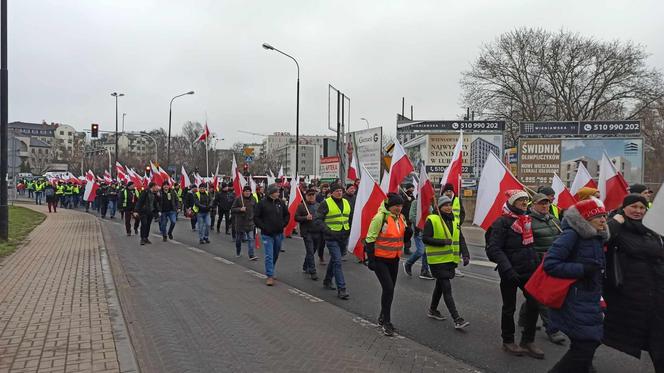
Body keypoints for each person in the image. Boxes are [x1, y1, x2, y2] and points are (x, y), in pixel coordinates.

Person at [544, 198, 609, 373]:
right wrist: (583, 269)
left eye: (604, 216)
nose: (604, 220)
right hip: (574, 299)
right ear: (586, 220)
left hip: (590, 298)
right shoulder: (571, 235)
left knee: (589, 345)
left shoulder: (596, 237)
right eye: (599, 217)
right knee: (585, 346)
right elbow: (550, 264)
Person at [603, 194, 664, 372]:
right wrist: (616, 220)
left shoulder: (652, 229)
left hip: (655, 291)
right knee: (605, 332)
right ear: (624, 207)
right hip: (626, 293)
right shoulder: (617, 227)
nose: (638, 211)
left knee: (657, 337)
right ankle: (581, 357)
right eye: (633, 207)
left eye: (642, 208)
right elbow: (602, 238)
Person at [486, 189, 543, 358]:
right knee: (509, 307)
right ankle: (508, 341)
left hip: (529, 270)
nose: (525, 203)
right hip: (510, 272)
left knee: (534, 303)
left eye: (526, 200)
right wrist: (508, 268)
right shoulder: (502, 222)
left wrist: (537, 263)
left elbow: (530, 245)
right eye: (521, 201)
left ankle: (528, 340)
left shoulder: (527, 220)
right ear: (512, 203)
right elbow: (495, 249)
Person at [519, 193, 565, 344]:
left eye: (547, 203)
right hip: (537, 264)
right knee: (543, 297)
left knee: (536, 296)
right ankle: (552, 328)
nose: (545, 206)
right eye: (541, 203)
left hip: (554, 264)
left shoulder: (554, 220)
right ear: (533, 206)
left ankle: (523, 318)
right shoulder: (528, 222)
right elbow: (525, 244)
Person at [424, 196, 470, 330]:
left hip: (450, 260)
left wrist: (465, 254)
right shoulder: (432, 219)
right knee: (446, 288)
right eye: (445, 205)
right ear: (439, 207)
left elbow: (460, 238)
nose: (448, 207)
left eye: (449, 205)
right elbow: (425, 238)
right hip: (437, 261)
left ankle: (432, 310)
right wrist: (442, 242)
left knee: (440, 286)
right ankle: (457, 318)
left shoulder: (455, 220)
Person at [365, 193, 406, 336]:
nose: (399, 208)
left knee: (390, 290)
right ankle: (387, 322)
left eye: (400, 206)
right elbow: (370, 239)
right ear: (389, 205)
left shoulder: (401, 218)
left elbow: (402, 237)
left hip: (394, 259)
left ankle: (382, 317)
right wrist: (370, 260)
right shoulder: (380, 218)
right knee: (388, 288)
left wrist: (409, 232)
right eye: (396, 205)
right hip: (380, 260)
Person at [316, 183, 351, 300]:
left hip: (343, 236)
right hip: (331, 237)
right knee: (338, 261)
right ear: (331, 192)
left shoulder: (346, 202)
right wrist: (328, 230)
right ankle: (342, 289)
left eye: (341, 190)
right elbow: (318, 220)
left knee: (335, 260)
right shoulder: (325, 203)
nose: (339, 192)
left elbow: (349, 218)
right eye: (337, 191)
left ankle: (327, 280)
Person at [254, 184, 289, 286]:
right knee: (269, 255)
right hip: (267, 234)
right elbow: (256, 217)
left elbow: (287, 215)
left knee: (276, 253)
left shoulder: (281, 203)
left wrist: (283, 224)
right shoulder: (262, 204)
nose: (278, 193)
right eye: (276, 192)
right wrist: (263, 227)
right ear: (271, 193)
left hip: (278, 233)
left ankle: (271, 269)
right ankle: (270, 276)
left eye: (278, 192)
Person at [404, 196, 433, 279]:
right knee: (420, 251)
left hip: (427, 232)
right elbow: (411, 216)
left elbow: (431, 216)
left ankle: (424, 271)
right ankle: (408, 263)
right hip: (419, 231)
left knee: (426, 252)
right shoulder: (415, 202)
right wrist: (420, 223)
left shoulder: (429, 204)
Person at [295, 189, 321, 280]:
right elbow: (296, 217)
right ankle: (312, 271)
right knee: (310, 251)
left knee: (313, 251)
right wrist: (305, 217)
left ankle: (306, 265)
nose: (311, 197)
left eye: (313, 195)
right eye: (309, 195)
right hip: (307, 232)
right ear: (306, 196)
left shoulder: (319, 205)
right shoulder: (302, 206)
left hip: (317, 232)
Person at [442, 183, 466, 277]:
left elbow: (462, 213)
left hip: (456, 227)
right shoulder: (441, 199)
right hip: (444, 227)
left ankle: (454, 267)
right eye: (447, 191)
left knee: (457, 247)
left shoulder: (457, 199)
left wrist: (459, 223)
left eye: (450, 191)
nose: (448, 193)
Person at [231, 186, 257, 259]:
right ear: (243, 191)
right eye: (246, 191)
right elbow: (232, 209)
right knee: (238, 240)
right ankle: (238, 252)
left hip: (250, 223)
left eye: (249, 191)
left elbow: (256, 209)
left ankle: (251, 255)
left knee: (251, 239)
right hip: (240, 223)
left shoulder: (253, 199)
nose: (247, 192)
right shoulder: (238, 199)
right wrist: (240, 209)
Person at [400, 183, 415, 256]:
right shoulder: (403, 195)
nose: (412, 189)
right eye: (411, 187)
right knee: (403, 233)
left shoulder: (413, 196)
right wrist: (406, 200)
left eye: (413, 187)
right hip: (403, 218)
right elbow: (401, 204)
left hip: (409, 218)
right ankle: (399, 247)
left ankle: (407, 248)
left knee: (408, 233)